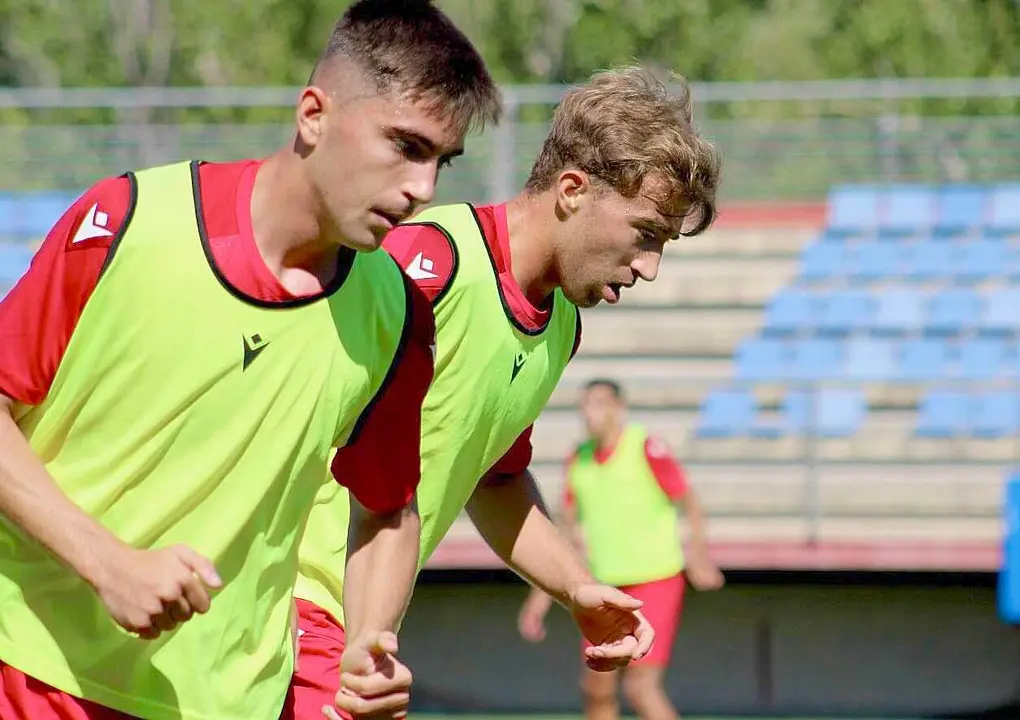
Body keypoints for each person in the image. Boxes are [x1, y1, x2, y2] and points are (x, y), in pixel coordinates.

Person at [0, 1, 500, 719]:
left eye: (440, 162)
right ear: (313, 115)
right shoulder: (129, 224)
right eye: (405, 146)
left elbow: (388, 509)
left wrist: (369, 642)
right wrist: (107, 564)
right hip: (34, 672)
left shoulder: (395, 311)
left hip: (230, 700)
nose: (423, 190)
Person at [288, 65, 721, 720]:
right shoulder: (426, 264)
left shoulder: (561, 327)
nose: (650, 268)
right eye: (644, 234)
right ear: (572, 190)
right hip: (282, 604)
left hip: (353, 629)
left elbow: (494, 478)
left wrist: (576, 587)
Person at [518, 378, 724, 720]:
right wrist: (540, 598)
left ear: (619, 408)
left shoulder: (646, 448)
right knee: (596, 687)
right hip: (605, 587)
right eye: (585, 405)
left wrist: (699, 555)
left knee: (640, 687)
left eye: (599, 404)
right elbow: (563, 533)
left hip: (654, 580)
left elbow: (690, 503)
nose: (590, 413)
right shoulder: (578, 460)